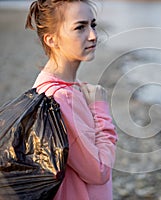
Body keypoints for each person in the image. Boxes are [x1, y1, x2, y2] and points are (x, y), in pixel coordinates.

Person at [25, 0, 118, 199]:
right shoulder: (61, 97)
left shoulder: (48, 83)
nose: (93, 36)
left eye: (92, 25)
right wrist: (100, 108)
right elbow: (99, 171)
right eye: (79, 27)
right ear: (52, 39)